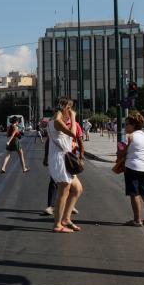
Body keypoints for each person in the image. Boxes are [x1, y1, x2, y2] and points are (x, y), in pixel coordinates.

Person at [47, 98, 83, 233]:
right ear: (64, 108)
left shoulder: (56, 121)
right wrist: (73, 118)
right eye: (70, 108)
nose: (71, 111)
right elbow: (73, 133)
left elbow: (65, 138)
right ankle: (57, 224)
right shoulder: (57, 121)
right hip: (60, 160)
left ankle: (66, 218)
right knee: (64, 191)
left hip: (63, 157)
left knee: (77, 189)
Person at [118, 111, 144, 226]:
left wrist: (120, 149)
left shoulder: (128, 136)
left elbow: (120, 152)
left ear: (133, 125)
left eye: (127, 124)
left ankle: (137, 220)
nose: (125, 127)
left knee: (134, 194)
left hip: (132, 167)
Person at [41, 114, 83, 216]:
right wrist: (46, 156)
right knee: (56, 182)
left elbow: (80, 141)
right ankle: (52, 207)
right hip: (59, 158)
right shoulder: (57, 124)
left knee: (73, 187)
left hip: (71, 159)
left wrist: (81, 156)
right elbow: (48, 142)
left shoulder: (75, 125)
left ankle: (67, 209)